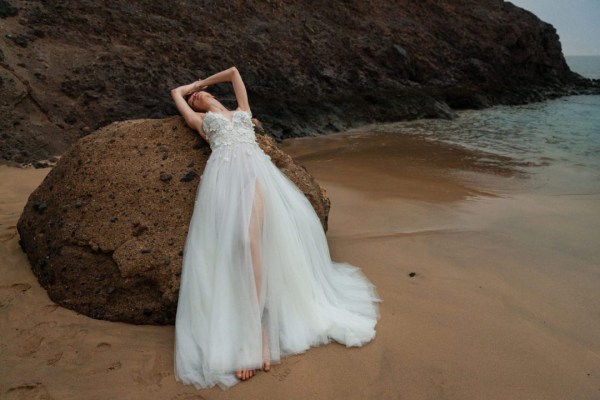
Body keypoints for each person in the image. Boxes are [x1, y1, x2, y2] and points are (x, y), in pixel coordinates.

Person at [170, 66, 381, 390]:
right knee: (237, 246)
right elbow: (174, 93)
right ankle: (256, 328)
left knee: (250, 241)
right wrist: (188, 92)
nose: (195, 97)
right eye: (194, 100)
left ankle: (259, 328)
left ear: (214, 95)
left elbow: (234, 73)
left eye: (201, 95)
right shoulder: (200, 122)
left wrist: (202, 83)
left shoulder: (242, 112)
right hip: (223, 183)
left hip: (255, 178)